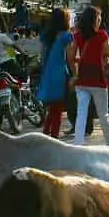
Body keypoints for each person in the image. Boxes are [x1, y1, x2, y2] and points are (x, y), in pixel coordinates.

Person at [67, 7, 109, 145]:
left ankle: (78, 142)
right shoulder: (102, 35)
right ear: (95, 19)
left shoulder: (78, 35)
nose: (100, 19)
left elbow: (70, 57)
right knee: (103, 114)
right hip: (98, 80)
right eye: (99, 17)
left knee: (81, 112)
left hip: (82, 80)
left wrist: (76, 73)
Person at [37, 9, 74, 139]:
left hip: (48, 73)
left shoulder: (46, 36)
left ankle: (46, 134)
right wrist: (75, 74)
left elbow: (41, 57)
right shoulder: (66, 36)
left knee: (53, 108)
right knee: (57, 109)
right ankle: (53, 138)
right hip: (60, 73)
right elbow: (69, 57)